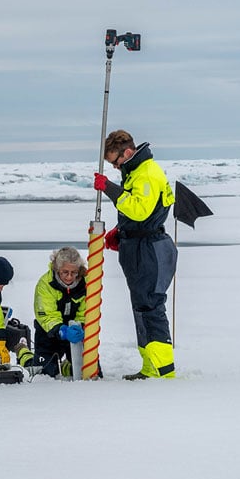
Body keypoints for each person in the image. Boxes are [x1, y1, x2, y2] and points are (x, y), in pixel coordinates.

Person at [94, 129, 177, 380]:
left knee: (151, 307)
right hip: (139, 247)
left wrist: (109, 189)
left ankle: (164, 371)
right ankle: (150, 367)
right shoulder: (135, 173)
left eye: (115, 162)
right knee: (141, 307)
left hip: (150, 250)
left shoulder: (147, 173)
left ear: (127, 152)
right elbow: (139, 215)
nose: (116, 168)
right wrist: (122, 233)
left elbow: (140, 210)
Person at [21, 246, 95, 379]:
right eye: (65, 272)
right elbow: (46, 315)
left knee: (90, 372)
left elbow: (87, 311)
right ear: (57, 269)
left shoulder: (87, 283)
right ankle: (24, 353)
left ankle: (68, 366)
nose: (69, 277)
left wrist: (81, 326)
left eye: (74, 272)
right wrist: (62, 331)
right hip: (49, 332)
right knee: (44, 373)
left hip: (76, 331)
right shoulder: (45, 284)